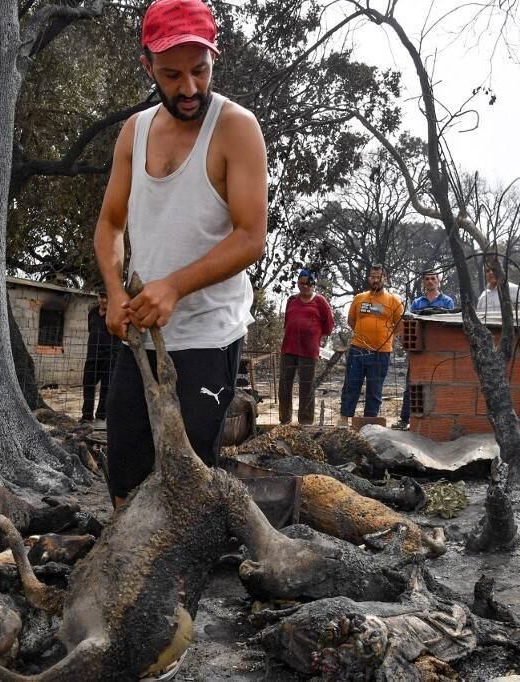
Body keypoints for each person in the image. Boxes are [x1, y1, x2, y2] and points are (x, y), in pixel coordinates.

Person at [93, 0, 268, 509]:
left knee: (187, 489)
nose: (189, 88)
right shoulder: (135, 132)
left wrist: (173, 286)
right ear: (147, 66)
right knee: (125, 482)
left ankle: (187, 582)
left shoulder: (237, 128)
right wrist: (111, 290)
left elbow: (250, 236)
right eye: (172, 74)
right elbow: (109, 224)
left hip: (208, 334)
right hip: (140, 335)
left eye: (200, 70)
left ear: (215, 58)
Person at [339, 264, 404, 427]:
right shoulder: (359, 298)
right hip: (357, 349)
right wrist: (364, 336)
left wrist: (383, 337)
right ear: (369, 279)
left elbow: (400, 326)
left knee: (374, 390)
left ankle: (369, 425)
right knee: (351, 385)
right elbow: (351, 320)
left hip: (381, 352)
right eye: (372, 277)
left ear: (385, 279)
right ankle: (344, 420)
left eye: (379, 277)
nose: (375, 280)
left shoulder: (394, 301)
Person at [392, 270, 454, 430]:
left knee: (440, 384)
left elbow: (450, 325)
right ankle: (405, 419)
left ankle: (440, 420)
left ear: (438, 281)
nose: (430, 281)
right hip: (419, 351)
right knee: (412, 384)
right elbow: (410, 323)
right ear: (423, 282)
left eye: (433, 278)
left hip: (439, 350)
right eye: (427, 279)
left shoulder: (447, 302)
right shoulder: (417, 303)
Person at [278, 268, 334, 425]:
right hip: (288, 348)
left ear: (313, 284)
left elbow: (328, 326)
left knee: (306, 387)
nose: (304, 286)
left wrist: (314, 337)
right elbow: (287, 322)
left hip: (308, 351)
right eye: (301, 283)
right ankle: (284, 420)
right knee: (284, 385)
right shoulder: (291, 300)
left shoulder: (320, 301)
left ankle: (306, 422)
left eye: (308, 283)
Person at [81, 290, 117, 426]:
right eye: (102, 297)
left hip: (110, 357)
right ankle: (86, 417)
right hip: (92, 356)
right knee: (88, 384)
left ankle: (101, 417)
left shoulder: (115, 313)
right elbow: (91, 331)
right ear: (98, 297)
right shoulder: (92, 313)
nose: (104, 300)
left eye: (107, 297)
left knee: (106, 387)